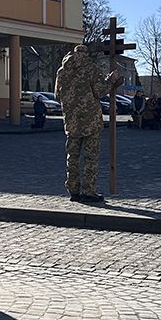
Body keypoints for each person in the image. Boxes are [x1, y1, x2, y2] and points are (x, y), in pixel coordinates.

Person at [55, 45, 122, 203]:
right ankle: (88, 191)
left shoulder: (62, 71)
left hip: (71, 122)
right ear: (86, 55)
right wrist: (110, 81)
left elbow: (57, 95)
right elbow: (100, 91)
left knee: (72, 157)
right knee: (90, 158)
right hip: (90, 121)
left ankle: (73, 190)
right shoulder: (91, 68)